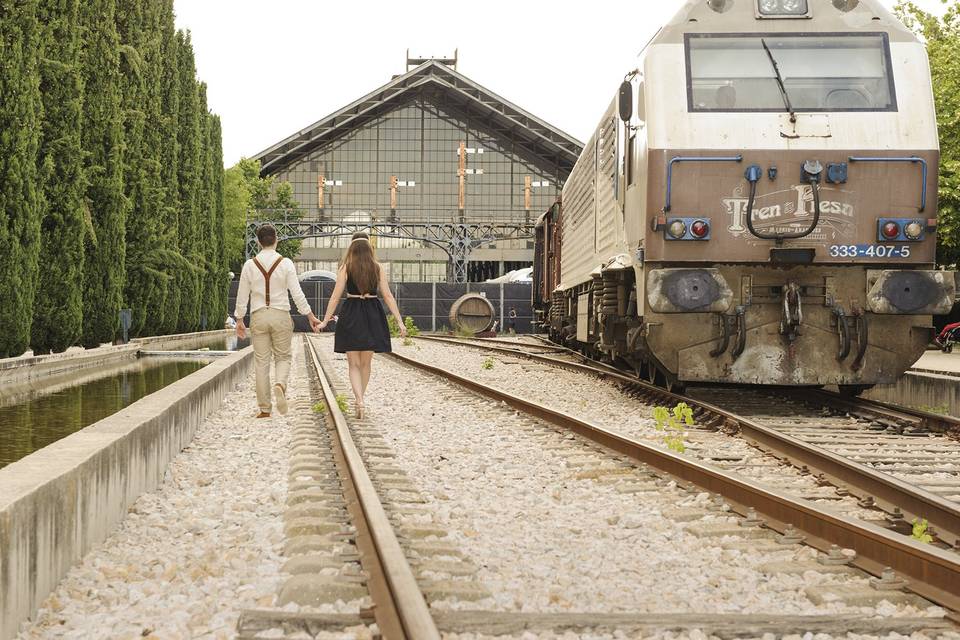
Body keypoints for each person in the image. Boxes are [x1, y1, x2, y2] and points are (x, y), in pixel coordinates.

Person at [234, 224, 321, 418]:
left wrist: (239, 318)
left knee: (261, 362)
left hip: (258, 315)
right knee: (283, 357)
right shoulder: (286, 263)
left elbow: (242, 295)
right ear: (276, 240)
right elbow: (296, 293)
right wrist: (309, 315)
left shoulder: (249, 265)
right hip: (281, 314)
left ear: (258, 242)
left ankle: (265, 409)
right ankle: (280, 384)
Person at [318, 232, 405, 418]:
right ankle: (361, 400)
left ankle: (358, 400)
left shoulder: (346, 268)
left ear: (352, 248)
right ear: (369, 249)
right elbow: (388, 296)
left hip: (351, 312)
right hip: (372, 313)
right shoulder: (377, 267)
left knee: (353, 364)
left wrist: (325, 320)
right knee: (366, 363)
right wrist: (399, 320)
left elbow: (335, 296)